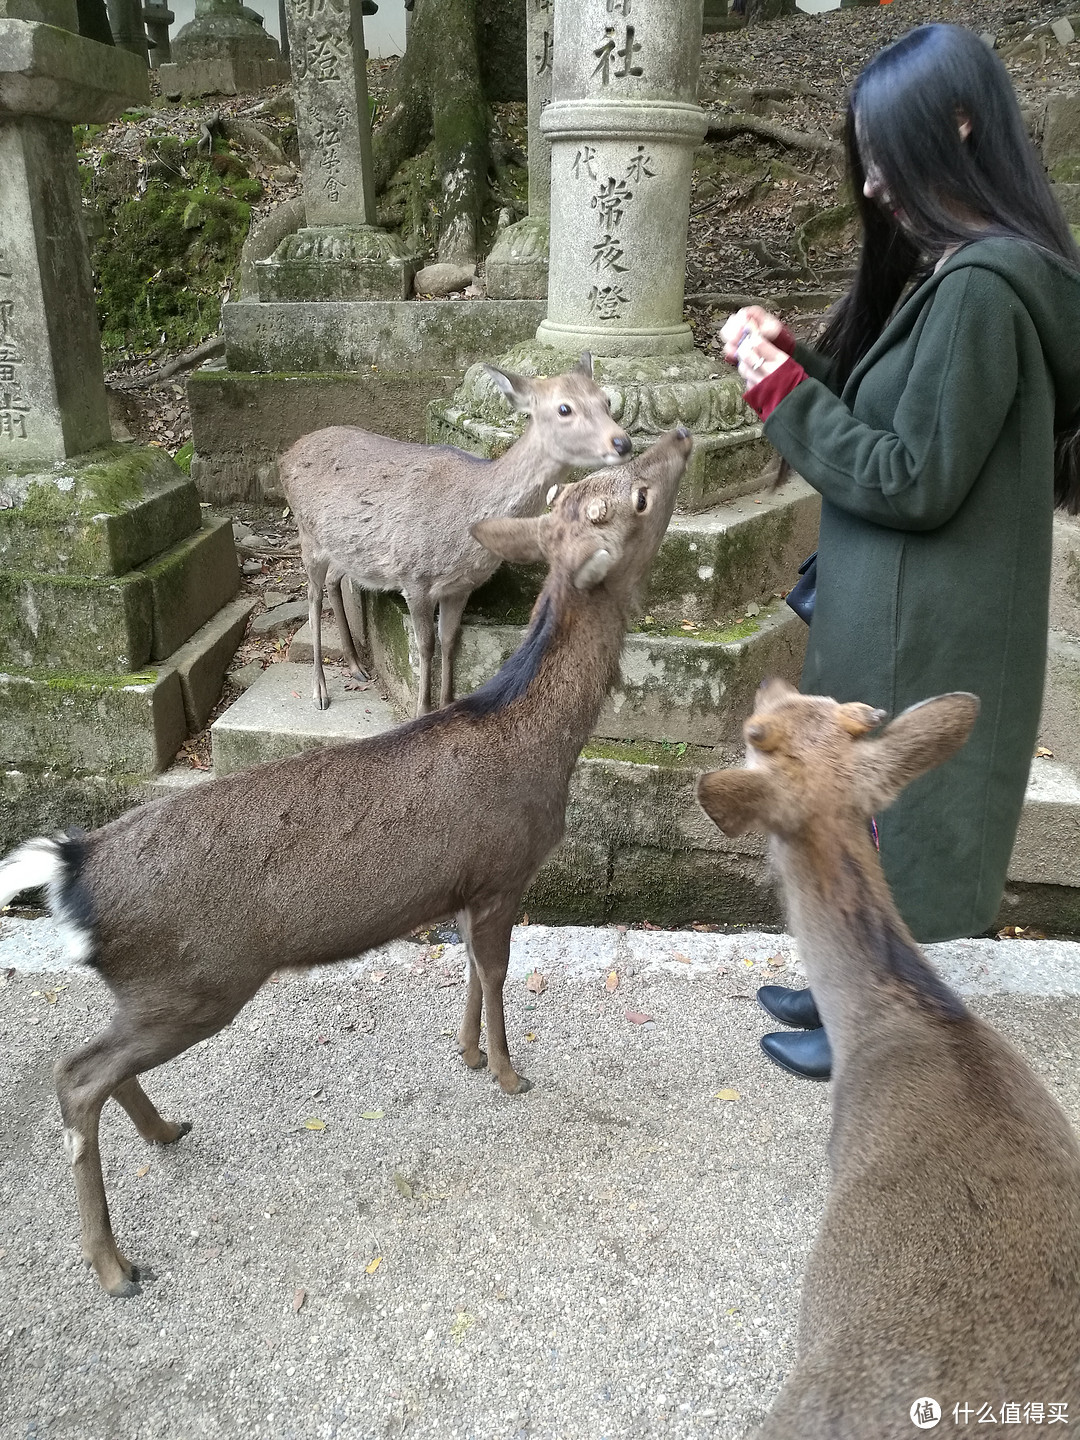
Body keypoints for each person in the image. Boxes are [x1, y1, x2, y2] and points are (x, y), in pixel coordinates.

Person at [719, 23, 1080, 1081]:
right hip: (916, 601)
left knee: (900, 827)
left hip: (928, 608)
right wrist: (805, 360)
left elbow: (912, 475)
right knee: (870, 817)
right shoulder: (968, 277)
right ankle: (846, 988)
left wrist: (779, 397)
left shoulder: (979, 288)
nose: (873, 183)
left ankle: (886, 1033)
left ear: (958, 125)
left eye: (884, 153)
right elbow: (907, 415)